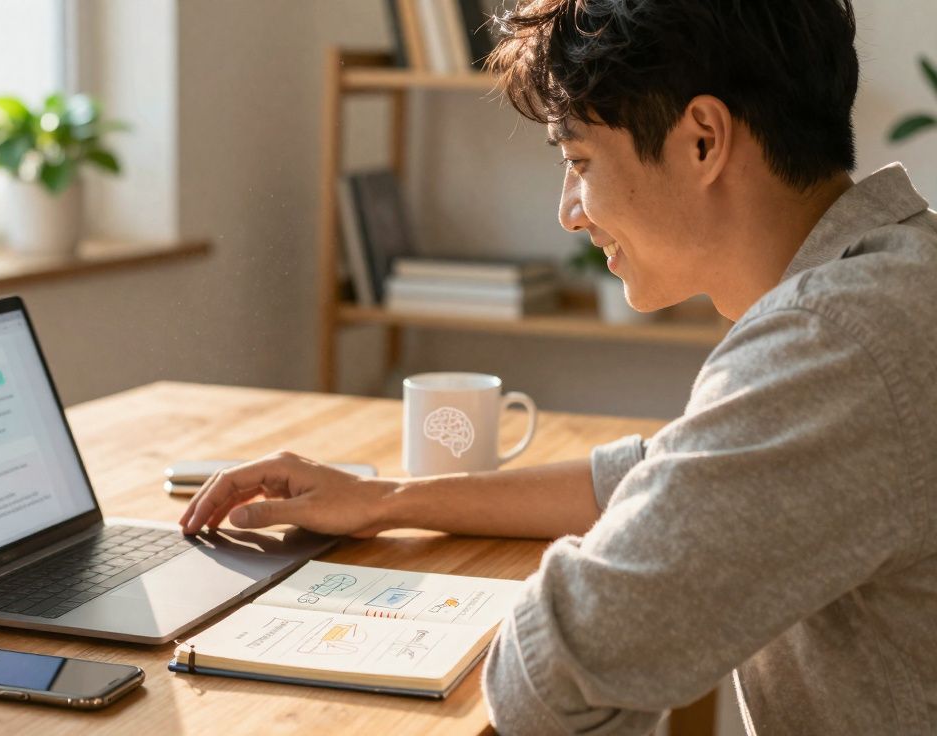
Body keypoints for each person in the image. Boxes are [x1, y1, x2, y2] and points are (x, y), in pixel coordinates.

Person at [181, 0, 937, 732]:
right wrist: (385, 501)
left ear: (703, 139)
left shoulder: (836, 342)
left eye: (578, 160)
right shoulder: (899, 279)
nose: (569, 210)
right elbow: (653, 475)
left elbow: (553, 677)